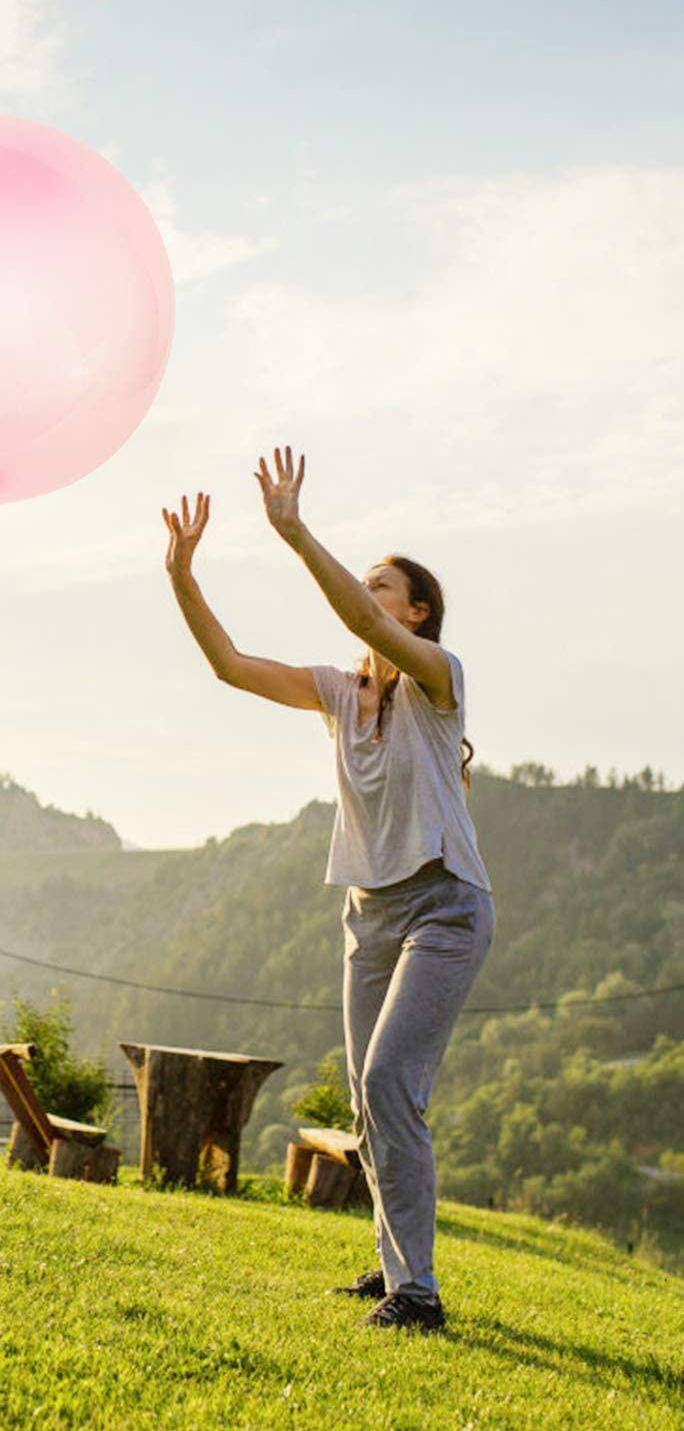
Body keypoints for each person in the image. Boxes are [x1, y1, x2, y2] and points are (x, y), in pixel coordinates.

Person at [162, 445, 494, 1333]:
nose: (370, 594)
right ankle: (396, 1267)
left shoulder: (439, 678)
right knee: (366, 1097)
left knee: (389, 1081)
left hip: (444, 908)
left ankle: (418, 1294)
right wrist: (181, 576)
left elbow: (364, 620)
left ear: (417, 612)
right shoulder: (339, 694)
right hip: (369, 915)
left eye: (384, 585)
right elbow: (230, 664)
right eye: (371, 583)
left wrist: (296, 533)